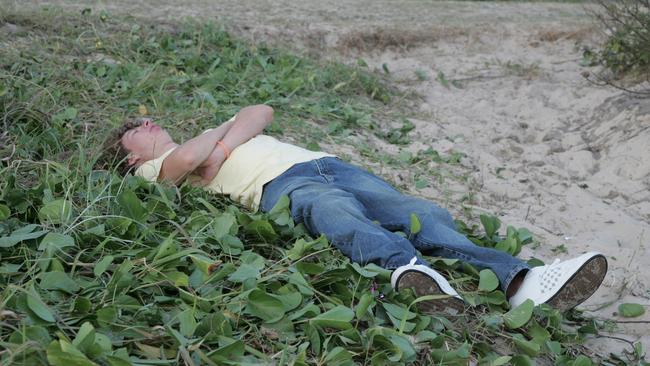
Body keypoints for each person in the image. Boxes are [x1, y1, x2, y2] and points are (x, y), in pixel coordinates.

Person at [103, 104, 608, 314]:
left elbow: (261, 112)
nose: (147, 124)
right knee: (334, 215)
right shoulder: (155, 170)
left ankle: (522, 282)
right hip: (283, 187)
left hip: (330, 164)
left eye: (147, 120)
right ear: (130, 156)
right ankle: (411, 273)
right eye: (137, 129)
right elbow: (190, 157)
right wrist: (215, 143)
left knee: (420, 212)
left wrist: (218, 146)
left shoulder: (204, 140)